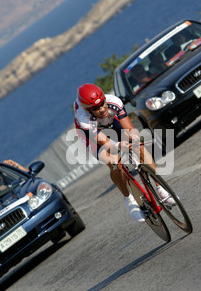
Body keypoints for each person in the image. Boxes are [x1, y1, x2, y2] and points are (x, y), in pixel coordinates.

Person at [74, 83, 175, 223]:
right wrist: (118, 145)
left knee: (138, 146)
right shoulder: (84, 118)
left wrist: (133, 139)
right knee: (115, 163)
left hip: (110, 122)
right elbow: (105, 143)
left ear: (104, 99)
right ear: (88, 110)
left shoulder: (113, 102)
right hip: (92, 135)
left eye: (102, 104)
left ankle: (160, 188)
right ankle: (129, 200)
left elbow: (129, 128)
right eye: (96, 109)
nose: (102, 109)